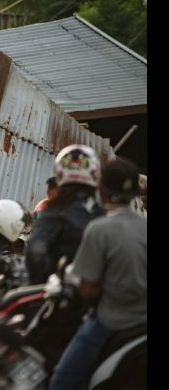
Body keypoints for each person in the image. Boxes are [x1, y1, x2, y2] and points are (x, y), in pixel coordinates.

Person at [49, 158, 147, 390]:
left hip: (112, 320)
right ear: (136, 193)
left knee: (62, 381)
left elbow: (88, 289)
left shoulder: (99, 229)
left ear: (101, 191)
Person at [25, 145, 105, 284]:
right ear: (94, 173)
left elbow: (35, 252)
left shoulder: (53, 211)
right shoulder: (102, 213)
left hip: (59, 296)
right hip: (99, 296)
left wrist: (39, 283)